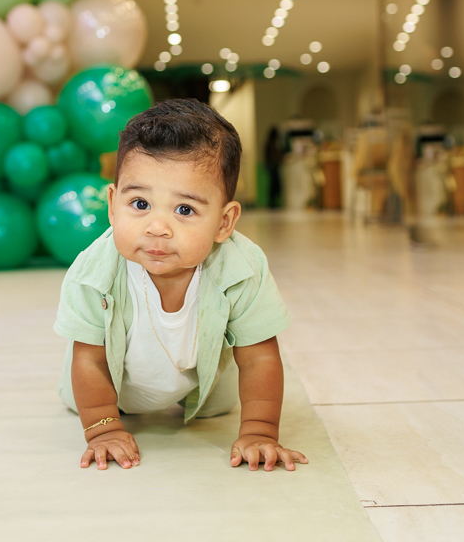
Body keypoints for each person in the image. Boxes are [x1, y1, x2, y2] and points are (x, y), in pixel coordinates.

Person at [54, 98, 308, 473]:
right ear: (112, 204)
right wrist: (102, 429)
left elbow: (259, 357)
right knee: (82, 395)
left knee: (221, 403)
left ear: (224, 222)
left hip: (200, 384)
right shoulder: (94, 272)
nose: (157, 228)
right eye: (140, 203)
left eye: (184, 209)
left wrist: (260, 431)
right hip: (108, 387)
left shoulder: (241, 268)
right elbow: (89, 359)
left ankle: (200, 399)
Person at [264, 126, 283, 208]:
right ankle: (273, 202)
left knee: (274, 184)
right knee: (274, 184)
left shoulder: (270, 143)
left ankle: (273, 202)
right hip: (273, 165)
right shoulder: (272, 144)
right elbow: (272, 155)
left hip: (271, 165)